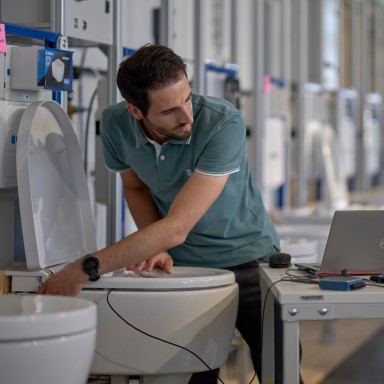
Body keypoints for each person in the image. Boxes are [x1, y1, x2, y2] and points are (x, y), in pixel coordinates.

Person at [38, 44, 289, 383]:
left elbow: (175, 229)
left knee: (281, 370)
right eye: (170, 110)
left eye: (188, 98)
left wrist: (85, 269)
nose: (187, 116)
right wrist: (155, 246)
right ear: (135, 110)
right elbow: (136, 187)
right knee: (191, 374)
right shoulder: (115, 124)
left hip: (249, 258)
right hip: (186, 269)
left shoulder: (221, 123)